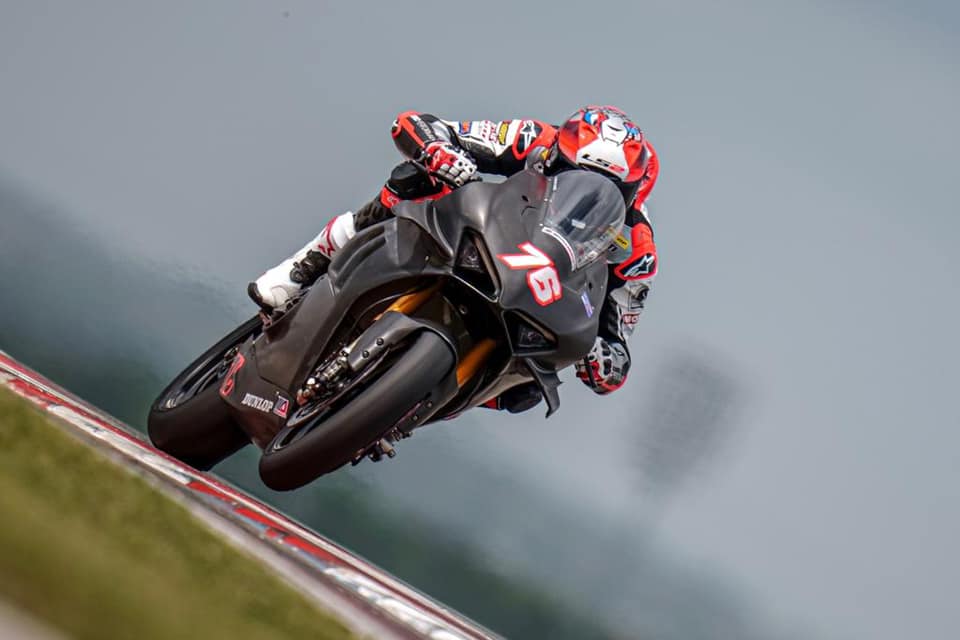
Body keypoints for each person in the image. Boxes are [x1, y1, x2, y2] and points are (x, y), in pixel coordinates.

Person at [249, 106, 659, 411]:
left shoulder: (637, 250)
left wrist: (602, 360)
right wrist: (440, 152)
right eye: (571, 171)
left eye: (610, 189)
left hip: (537, 302)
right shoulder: (532, 138)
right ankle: (304, 268)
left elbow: (618, 347)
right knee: (412, 180)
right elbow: (417, 124)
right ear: (557, 153)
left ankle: (406, 408)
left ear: (631, 193)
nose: (586, 193)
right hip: (489, 238)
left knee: (529, 393)